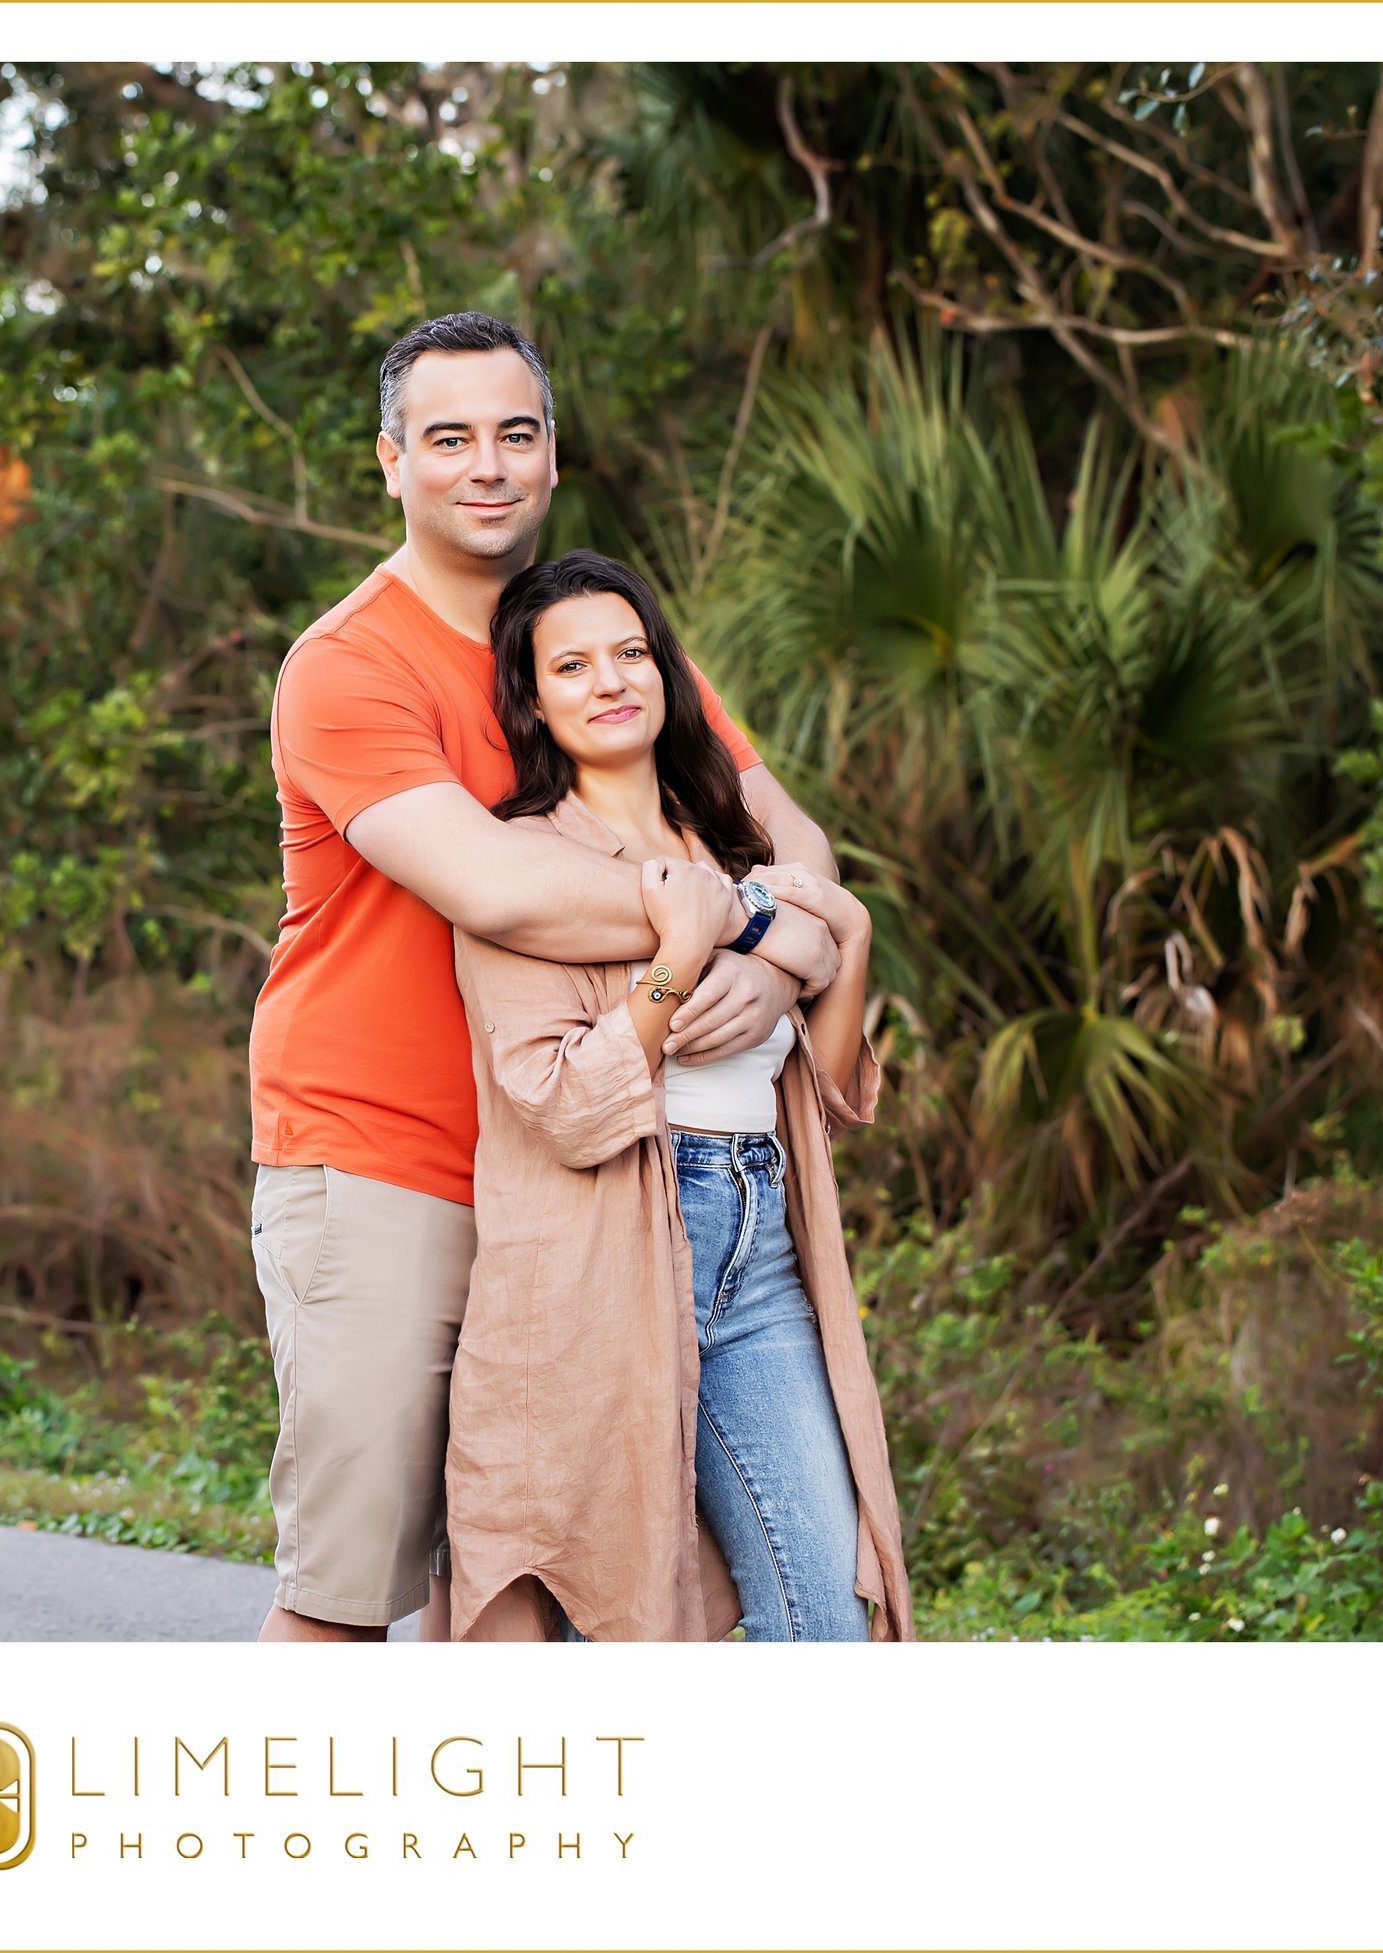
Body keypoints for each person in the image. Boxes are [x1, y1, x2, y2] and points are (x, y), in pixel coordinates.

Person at [248, 311, 847, 1643]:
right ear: (391, 461)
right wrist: (750, 931)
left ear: (554, 456)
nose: (488, 466)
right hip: (393, 1168)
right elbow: (502, 888)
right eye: (449, 438)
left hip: (597, 1173)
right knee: (352, 1595)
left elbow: (794, 840)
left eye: (516, 434)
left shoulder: (598, 641)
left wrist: (794, 947)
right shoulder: (347, 667)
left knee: (576, 1585)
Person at [445, 550, 913, 1642]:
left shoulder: (738, 851)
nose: (609, 680)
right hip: (607, 1259)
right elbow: (561, 1106)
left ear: (668, 674)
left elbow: (833, 1095)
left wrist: (844, 941)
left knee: (823, 1616)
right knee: (622, 1614)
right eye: (571, 665)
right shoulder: (522, 864)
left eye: (631, 652)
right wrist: (675, 958)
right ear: (533, 697)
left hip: (764, 1251)